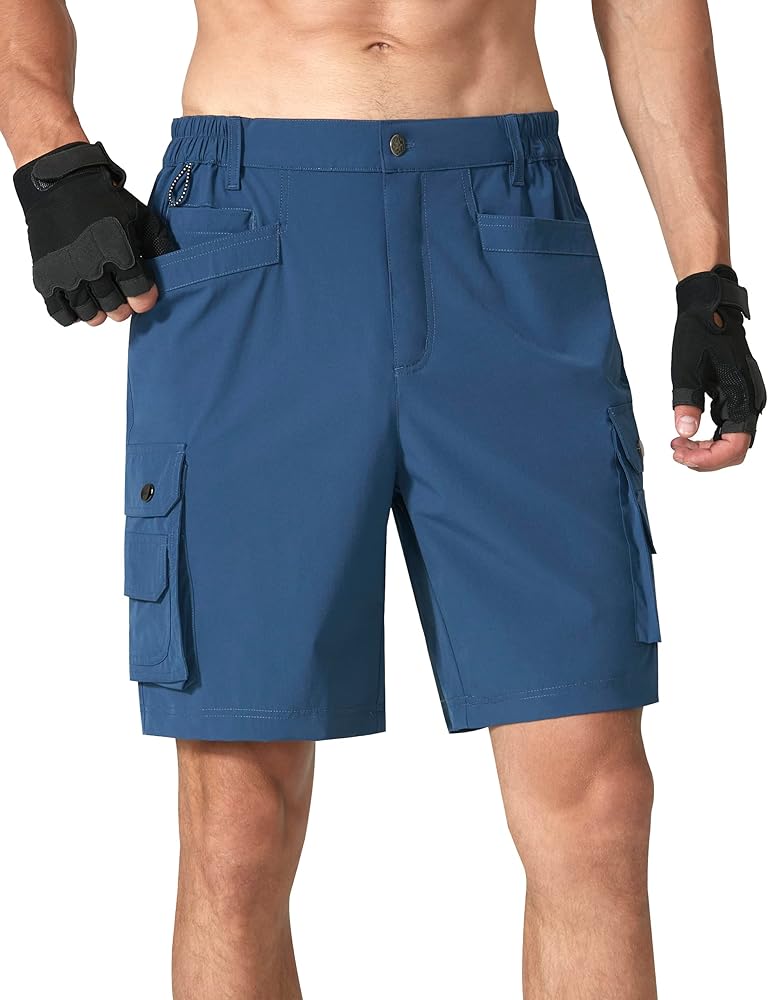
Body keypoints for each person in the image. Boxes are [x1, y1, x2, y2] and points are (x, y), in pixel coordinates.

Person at [1, 1, 763, 997]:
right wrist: (49, 153)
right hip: (251, 225)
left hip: (506, 222)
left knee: (600, 802)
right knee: (237, 819)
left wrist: (706, 277)